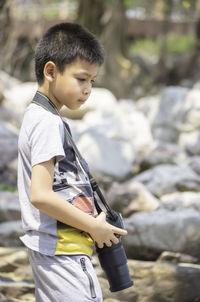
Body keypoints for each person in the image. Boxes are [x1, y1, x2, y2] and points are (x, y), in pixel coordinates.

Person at [17, 22, 127, 302]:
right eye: (81, 79)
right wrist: (93, 226)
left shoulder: (41, 116)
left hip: (57, 250)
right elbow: (40, 195)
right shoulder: (47, 122)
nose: (88, 88)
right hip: (62, 253)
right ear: (51, 71)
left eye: (92, 80)